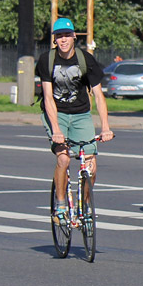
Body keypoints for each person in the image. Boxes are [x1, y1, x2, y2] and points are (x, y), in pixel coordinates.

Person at [36, 17, 113, 223]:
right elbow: (48, 97)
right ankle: (61, 205)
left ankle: (85, 204)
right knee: (63, 158)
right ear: (54, 39)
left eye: (66, 36)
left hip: (81, 114)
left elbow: (98, 96)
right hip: (57, 113)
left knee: (91, 164)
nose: (63, 40)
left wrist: (105, 127)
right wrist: (56, 130)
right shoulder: (47, 60)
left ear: (74, 37)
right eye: (59, 36)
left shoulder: (86, 60)